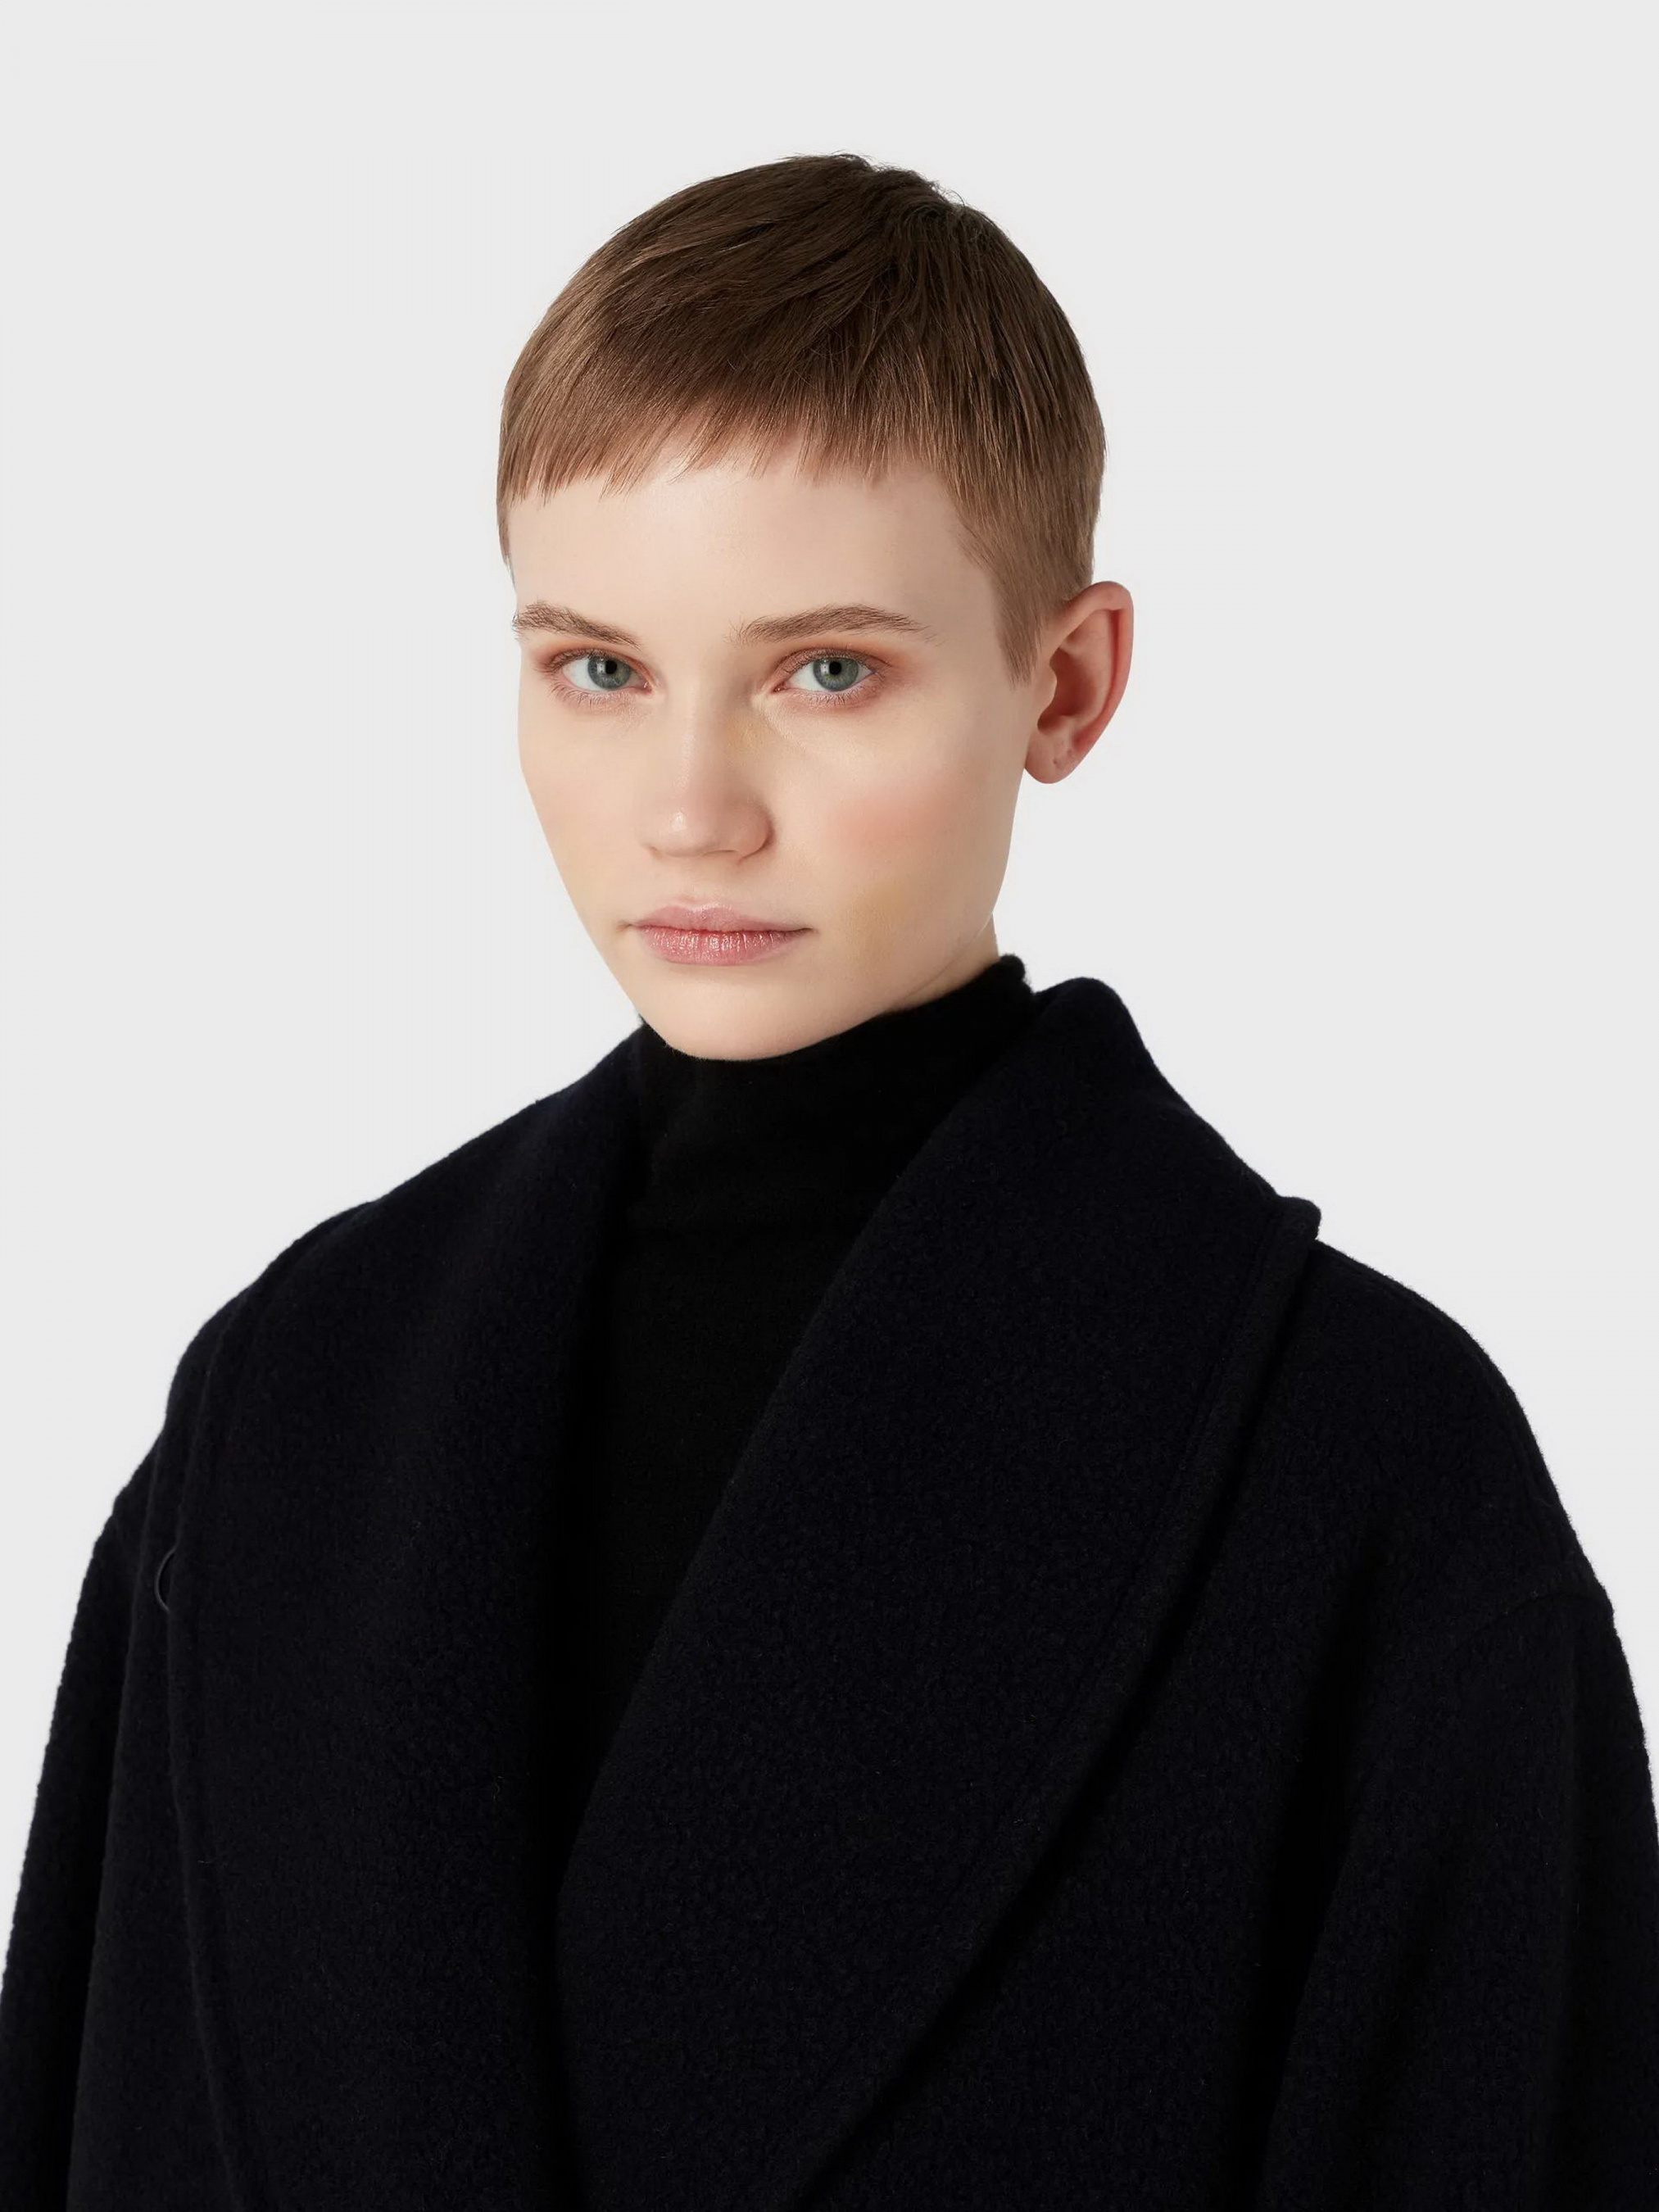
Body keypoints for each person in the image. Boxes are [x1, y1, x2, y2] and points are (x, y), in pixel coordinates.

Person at [2, 151, 1656, 2211]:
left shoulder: (1361, 1472)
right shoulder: (290, 1402)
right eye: (599, 668)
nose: (690, 809)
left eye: (825, 671)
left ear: (1065, 684)